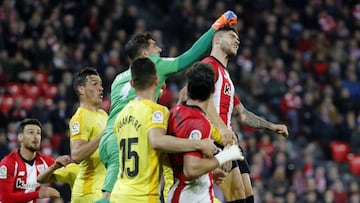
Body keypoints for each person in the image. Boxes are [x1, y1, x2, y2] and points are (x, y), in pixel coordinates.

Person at [96, 10, 238, 202]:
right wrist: (216, 26)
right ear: (145, 55)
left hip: (111, 135)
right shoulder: (155, 67)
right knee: (113, 194)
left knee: (117, 187)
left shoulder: (118, 79)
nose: (160, 50)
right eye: (155, 47)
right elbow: (190, 56)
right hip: (138, 132)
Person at [109, 58, 218, 203]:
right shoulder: (156, 111)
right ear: (157, 81)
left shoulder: (120, 117)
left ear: (132, 84)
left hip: (118, 194)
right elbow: (158, 141)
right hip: (142, 197)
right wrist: (199, 144)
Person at [202, 26, 289, 203]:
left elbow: (241, 113)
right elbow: (203, 99)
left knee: (247, 196)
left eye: (238, 38)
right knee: (237, 196)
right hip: (215, 138)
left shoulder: (226, 76)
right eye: (232, 36)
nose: (237, 40)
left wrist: (271, 126)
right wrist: (222, 131)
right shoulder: (208, 65)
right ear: (217, 40)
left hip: (229, 141)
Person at [166, 62, 244, 203]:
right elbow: (191, 169)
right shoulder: (199, 122)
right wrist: (223, 157)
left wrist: (209, 173)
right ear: (213, 91)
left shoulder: (174, 113)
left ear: (188, 88)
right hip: (191, 196)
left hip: (177, 191)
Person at [69, 68, 109, 202]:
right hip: (88, 192)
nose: (101, 88)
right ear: (81, 89)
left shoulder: (103, 115)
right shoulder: (80, 118)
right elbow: (76, 155)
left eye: (101, 84)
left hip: (104, 189)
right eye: (94, 84)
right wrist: (104, 134)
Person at [0, 118, 61, 203]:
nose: (36, 137)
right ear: (20, 137)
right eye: (31, 132)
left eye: (38, 133)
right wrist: (38, 194)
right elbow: (5, 199)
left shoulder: (45, 161)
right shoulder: (7, 163)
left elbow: (68, 172)